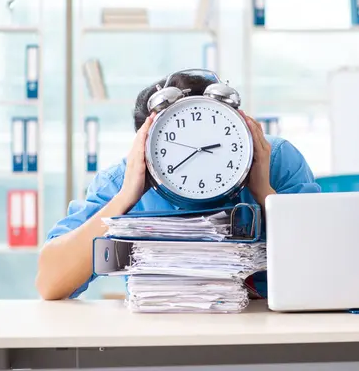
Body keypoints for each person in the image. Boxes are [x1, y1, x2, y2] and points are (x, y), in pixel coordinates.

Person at [36, 71, 321, 300]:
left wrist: (264, 192)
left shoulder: (274, 159)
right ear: (146, 144)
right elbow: (50, 284)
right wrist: (124, 199)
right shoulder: (120, 181)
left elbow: (323, 263)